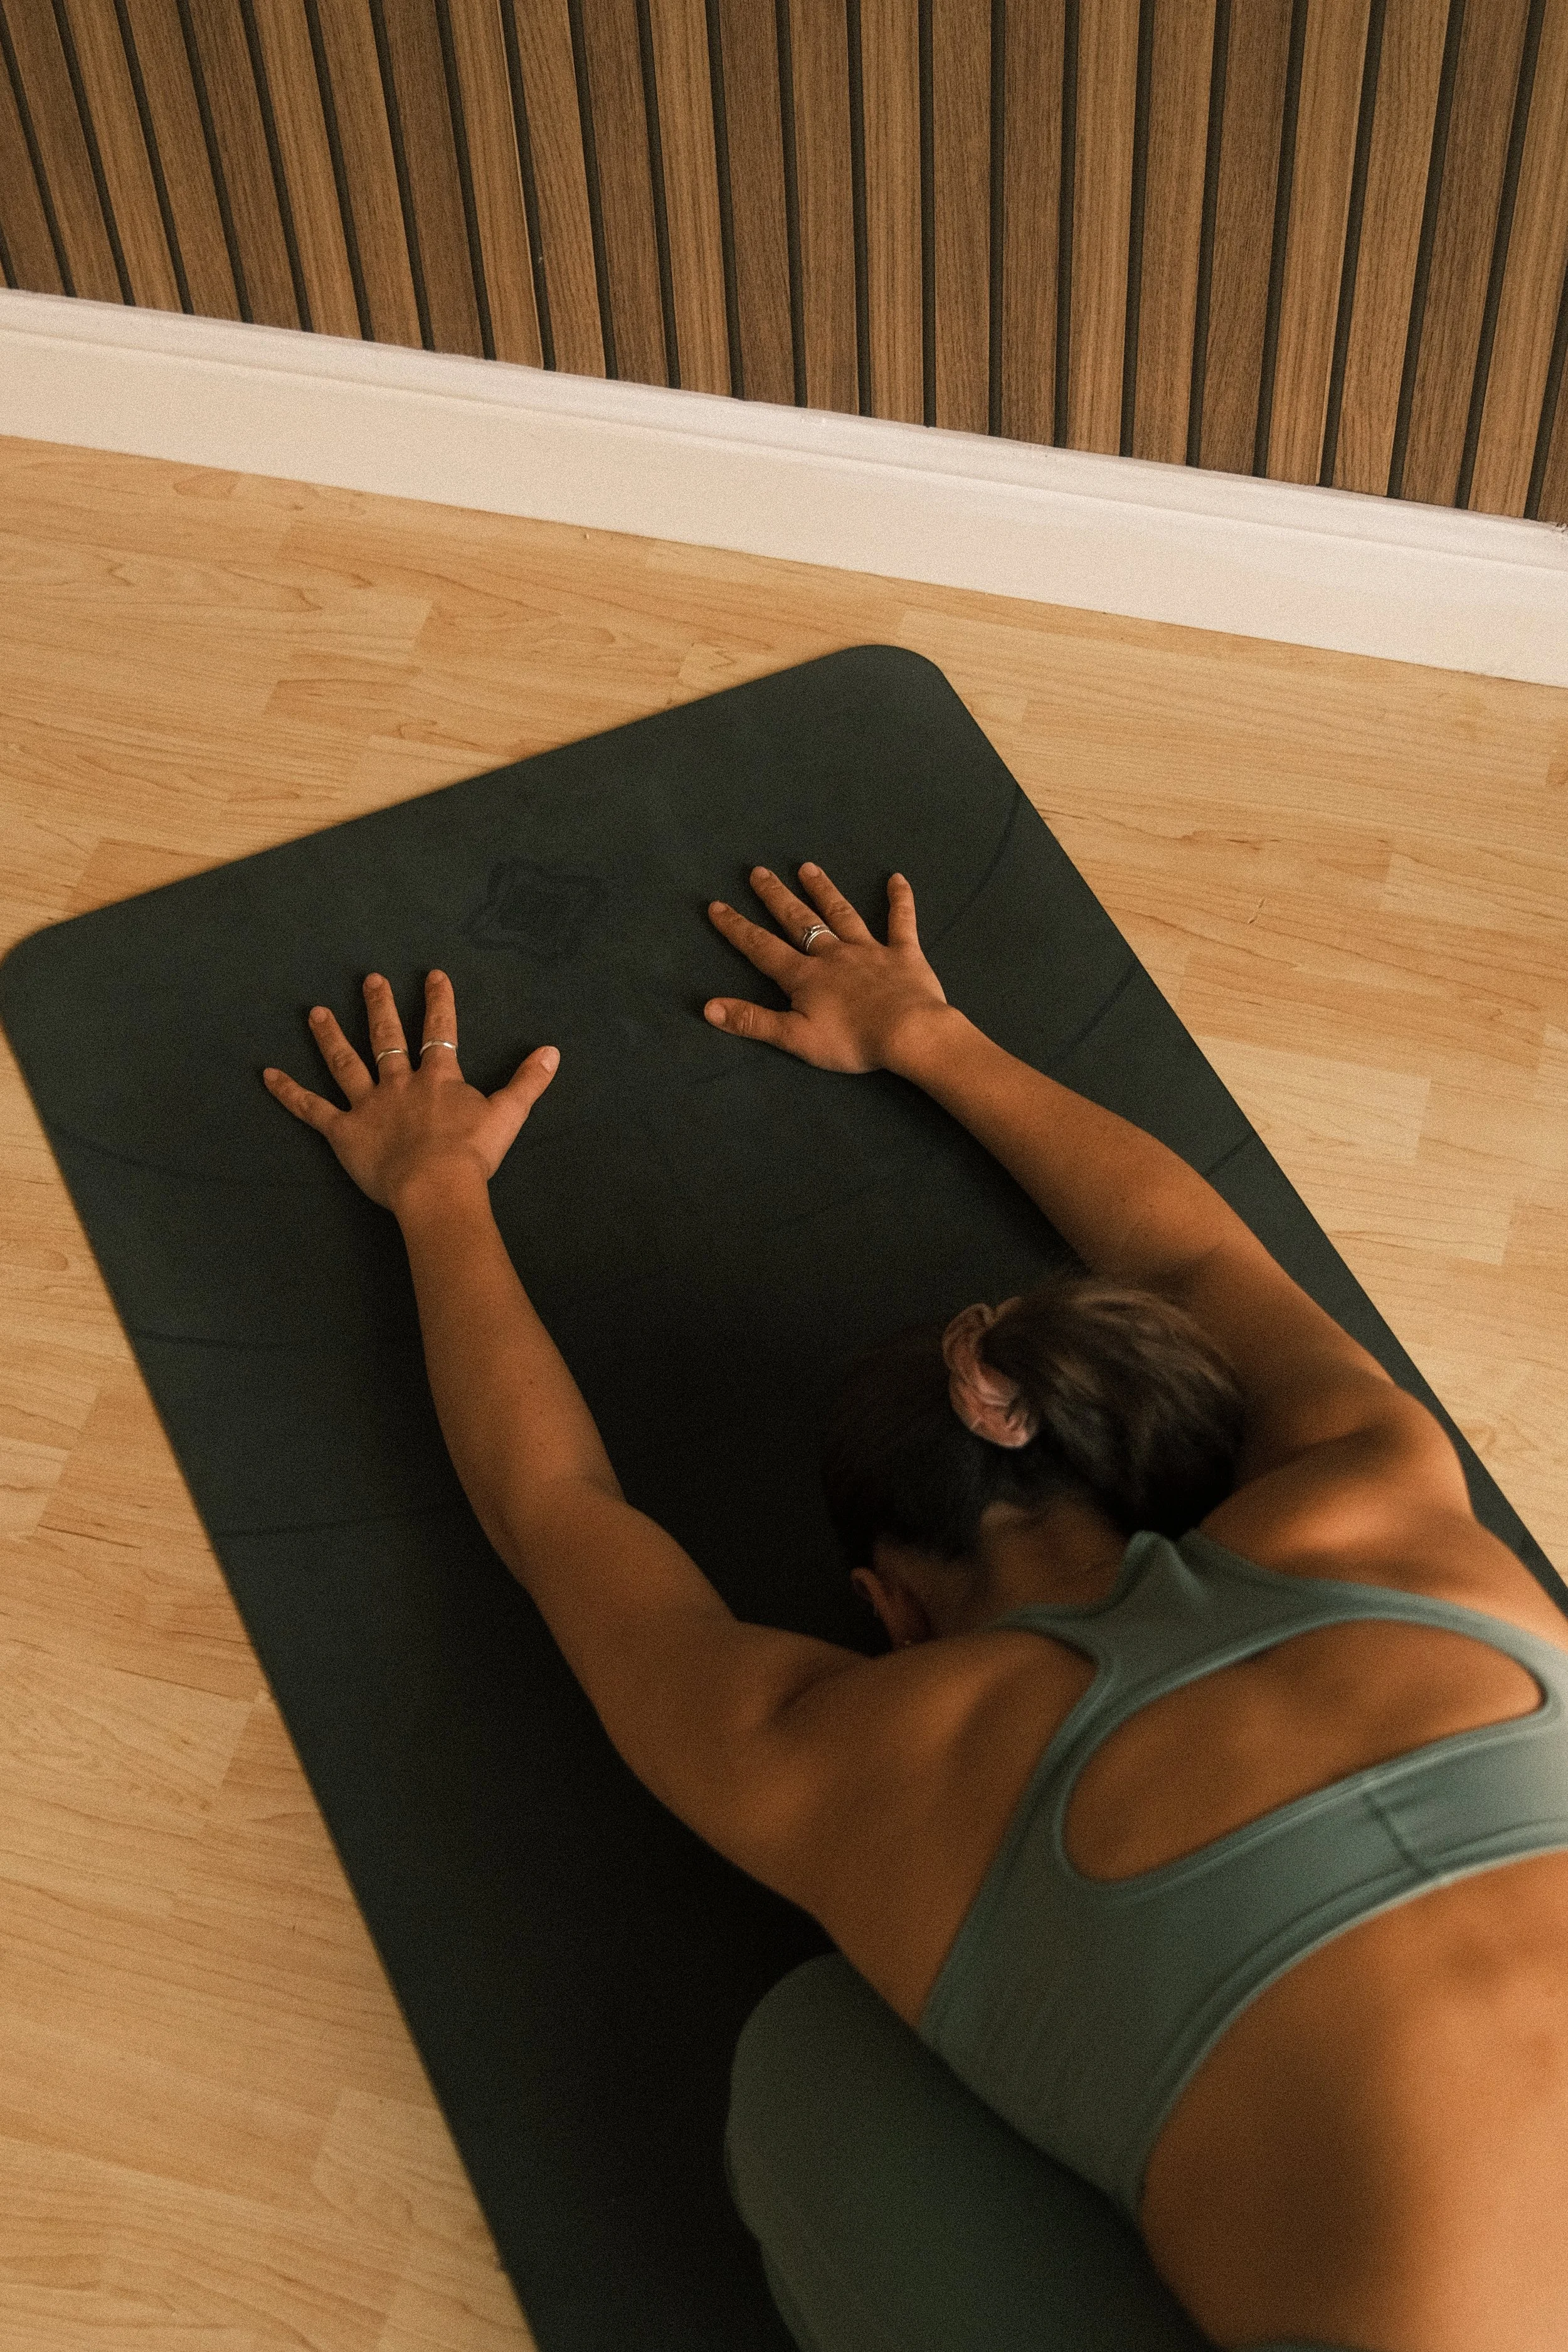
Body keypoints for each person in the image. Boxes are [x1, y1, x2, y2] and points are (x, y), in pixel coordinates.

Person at [262, 860, 1568, 2352]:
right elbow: (1192, 1257)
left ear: (885, 1606)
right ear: (1164, 1462)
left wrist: (435, 1193)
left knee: (815, 2064)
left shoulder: (842, 1753)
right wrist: (924, 1033)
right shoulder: (1377, 1495)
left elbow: (556, 1513)